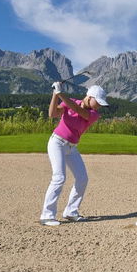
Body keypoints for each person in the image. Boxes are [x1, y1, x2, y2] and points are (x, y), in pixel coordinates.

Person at [40, 82, 109, 226]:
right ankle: (47, 215)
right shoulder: (69, 103)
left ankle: (71, 212)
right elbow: (52, 114)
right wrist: (55, 94)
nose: (99, 106)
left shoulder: (93, 114)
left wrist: (61, 94)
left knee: (82, 178)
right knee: (59, 177)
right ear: (89, 97)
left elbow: (77, 109)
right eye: (98, 102)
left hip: (72, 148)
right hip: (57, 143)